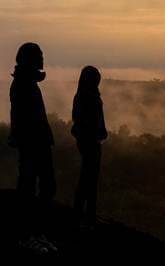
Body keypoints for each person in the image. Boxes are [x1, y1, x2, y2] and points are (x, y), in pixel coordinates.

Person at [9, 42, 56, 202]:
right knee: (39, 182)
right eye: (39, 56)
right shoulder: (24, 84)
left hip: (32, 138)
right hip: (34, 139)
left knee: (31, 180)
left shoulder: (24, 82)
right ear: (31, 60)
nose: (42, 59)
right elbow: (24, 115)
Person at [71, 65, 107, 223]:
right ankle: (84, 213)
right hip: (90, 142)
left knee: (89, 177)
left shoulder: (84, 95)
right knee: (89, 178)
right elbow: (86, 121)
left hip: (88, 141)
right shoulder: (88, 96)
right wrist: (96, 134)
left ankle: (86, 213)